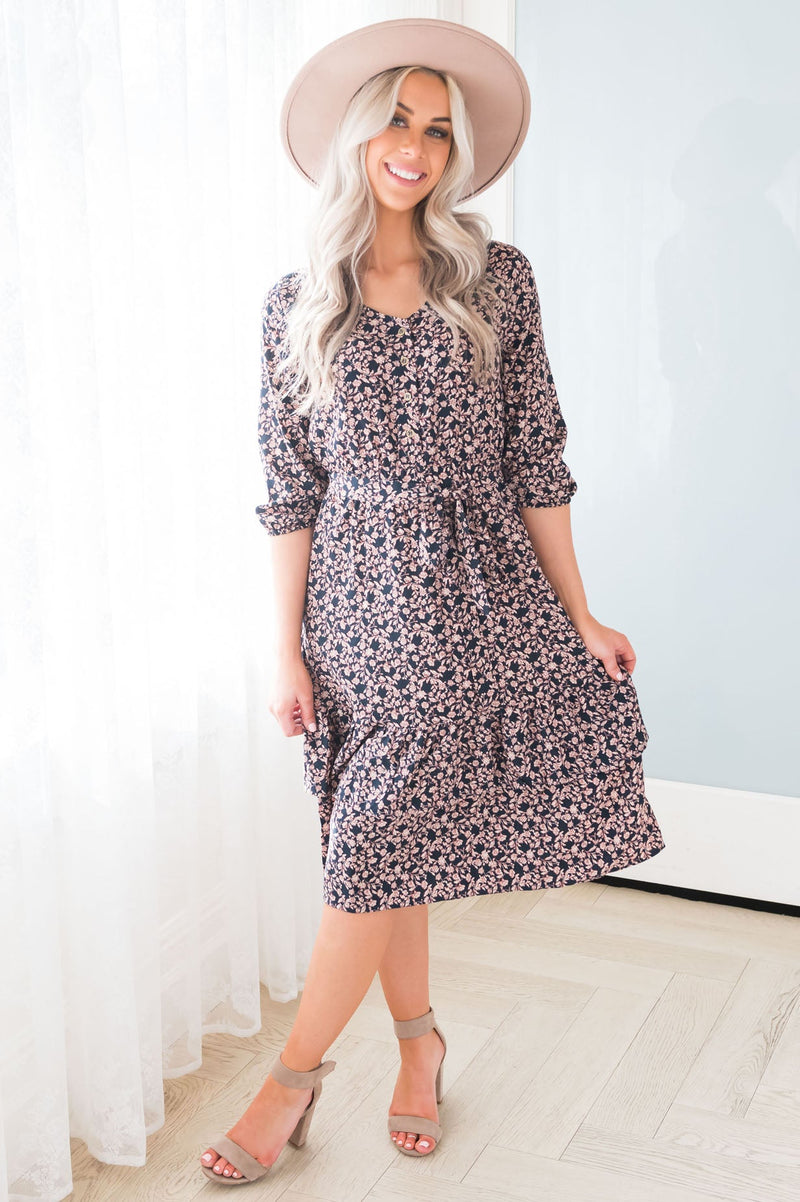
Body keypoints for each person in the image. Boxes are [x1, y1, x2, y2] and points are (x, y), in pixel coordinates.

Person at [200, 16, 666, 1186]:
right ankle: (419, 1045)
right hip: (351, 615)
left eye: (438, 130)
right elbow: (288, 492)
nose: (415, 146)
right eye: (398, 122)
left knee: (370, 844)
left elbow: (535, 455)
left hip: (471, 603)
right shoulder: (294, 303)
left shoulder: (495, 280)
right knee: (389, 843)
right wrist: (283, 651)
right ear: (358, 136)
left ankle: (289, 1079)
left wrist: (579, 612)